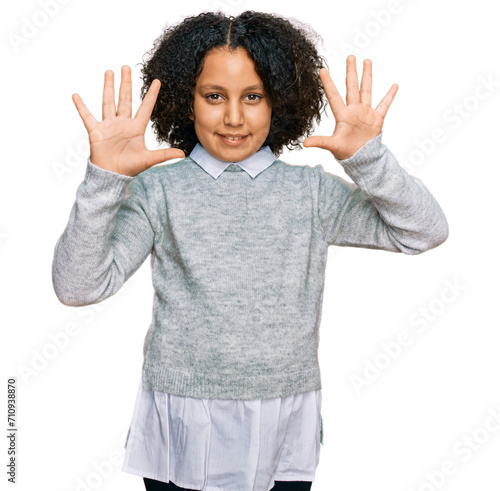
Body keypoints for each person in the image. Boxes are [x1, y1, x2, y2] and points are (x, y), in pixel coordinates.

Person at [52, 10, 449, 491]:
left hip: (284, 417)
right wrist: (105, 180)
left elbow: (424, 232)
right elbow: (77, 287)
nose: (234, 117)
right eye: (214, 96)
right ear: (186, 100)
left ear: (279, 101)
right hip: (183, 417)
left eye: (253, 97)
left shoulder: (312, 193)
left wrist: (368, 158)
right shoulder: (158, 190)